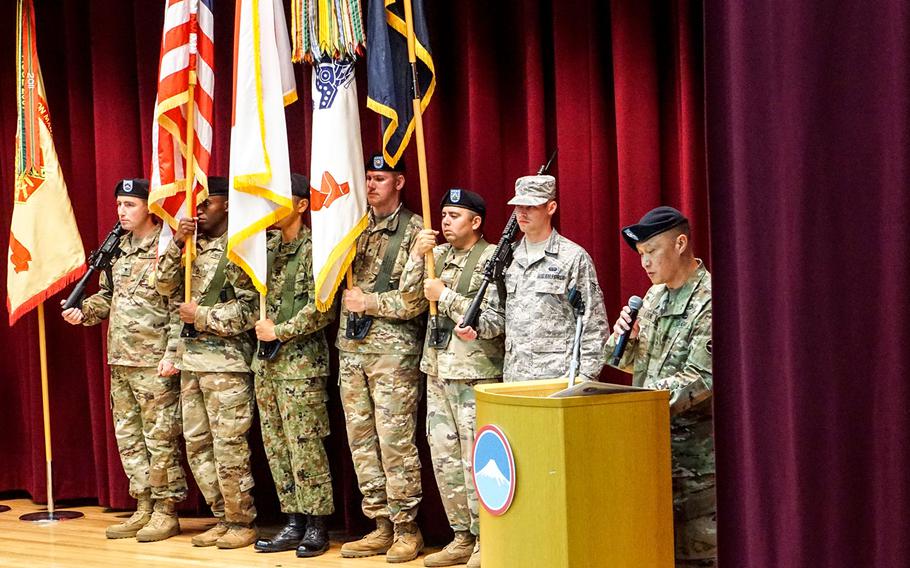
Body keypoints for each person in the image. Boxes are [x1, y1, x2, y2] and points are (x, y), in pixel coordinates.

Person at [61, 178, 186, 542]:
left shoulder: (167, 246)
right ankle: (144, 505)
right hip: (121, 360)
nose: (121, 211)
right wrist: (83, 312)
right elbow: (108, 297)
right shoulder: (118, 249)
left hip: (154, 360)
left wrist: (173, 353)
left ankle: (166, 511)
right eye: (119, 204)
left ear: (150, 206)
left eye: (129, 204)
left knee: (160, 438)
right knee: (129, 438)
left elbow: (179, 306)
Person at [154, 177, 259, 549]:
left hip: (226, 364)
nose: (197, 212)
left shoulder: (242, 247)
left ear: (227, 205)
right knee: (198, 445)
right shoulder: (190, 248)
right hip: (191, 362)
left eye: (205, 204)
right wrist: (177, 246)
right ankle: (220, 515)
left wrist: (201, 315)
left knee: (229, 446)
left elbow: (251, 310)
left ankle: (240, 519)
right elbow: (162, 287)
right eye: (194, 206)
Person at [607, 206, 714, 567]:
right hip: (649, 451)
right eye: (641, 255)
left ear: (681, 243)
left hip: (695, 462)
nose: (645, 264)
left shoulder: (710, 301)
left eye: (651, 252)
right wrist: (626, 338)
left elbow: (702, 378)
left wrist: (635, 404)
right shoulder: (653, 297)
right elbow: (632, 363)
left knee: (695, 555)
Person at [405, 189, 504, 568]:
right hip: (438, 369)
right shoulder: (438, 257)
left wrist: (445, 296)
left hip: (475, 374)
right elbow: (410, 300)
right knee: (444, 460)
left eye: (455, 215)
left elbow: (494, 320)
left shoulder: (492, 258)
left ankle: (486, 537)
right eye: (443, 214)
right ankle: (460, 534)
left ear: (476, 222)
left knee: (475, 461)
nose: (445, 221)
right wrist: (416, 258)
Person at [337, 153, 428, 563]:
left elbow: (415, 300)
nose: (370, 186)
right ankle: (380, 524)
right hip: (352, 351)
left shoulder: (415, 231)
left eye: (379, 179)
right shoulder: (350, 226)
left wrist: (369, 301)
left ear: (400, 182)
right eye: (368, 179)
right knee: (362, 444)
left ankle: (408, 528)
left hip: (392, 354)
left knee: (394, 443)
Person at [251, 174, 336, 557]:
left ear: (302, 204)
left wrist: (279, 331)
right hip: (266, 366)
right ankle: (292, 521)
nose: (271, 207)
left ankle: (317, 525)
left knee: (305, 446)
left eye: (279, 199)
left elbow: (323, 307)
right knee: (276, 447)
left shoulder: (317, 249)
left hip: (301, 366)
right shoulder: (261, 248)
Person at [457, 175, 608, 383]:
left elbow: (593, 322)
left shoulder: (572, 257)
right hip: (516, 378)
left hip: (558, 378)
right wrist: (475, 327)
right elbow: (498, 315)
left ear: (551, 207)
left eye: (531, 206)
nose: (522, 212)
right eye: (518, 206)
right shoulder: (507, 257)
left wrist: (586, 378)